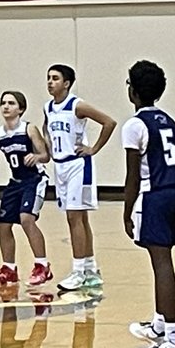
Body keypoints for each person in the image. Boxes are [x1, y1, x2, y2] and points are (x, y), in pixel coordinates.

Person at [123, 60, 175, 348]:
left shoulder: (135, 125)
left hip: (156, 196)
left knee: (162, 264)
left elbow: (132, 176)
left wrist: (126, 211)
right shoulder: (169, 120)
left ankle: (174, 341)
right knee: (162, 261)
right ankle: (161, 326)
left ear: (133, 92)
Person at [43, 64, 116, 292]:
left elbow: (109, 122)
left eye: (55, 78)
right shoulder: (48, 107)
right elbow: (46, 129)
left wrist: (93, 148)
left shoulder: (77, 105)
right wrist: (48, 148)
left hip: (77, 165)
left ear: (66, 83)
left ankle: (78, 272)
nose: (50, 82)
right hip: (60, 166)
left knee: (75, 218)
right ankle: (91, 270)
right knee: (80, 218)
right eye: (48, 78)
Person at [0, 90, 54, 287]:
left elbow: (46, 156)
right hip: (15, 182)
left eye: (11, 103)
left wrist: (37, 157)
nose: (6, 106)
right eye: (3, 103)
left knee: (26, 219)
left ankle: (42, 265)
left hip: (35, 180)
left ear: (20, 109)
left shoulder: (29, 130)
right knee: (3, 224)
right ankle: (9, 269)